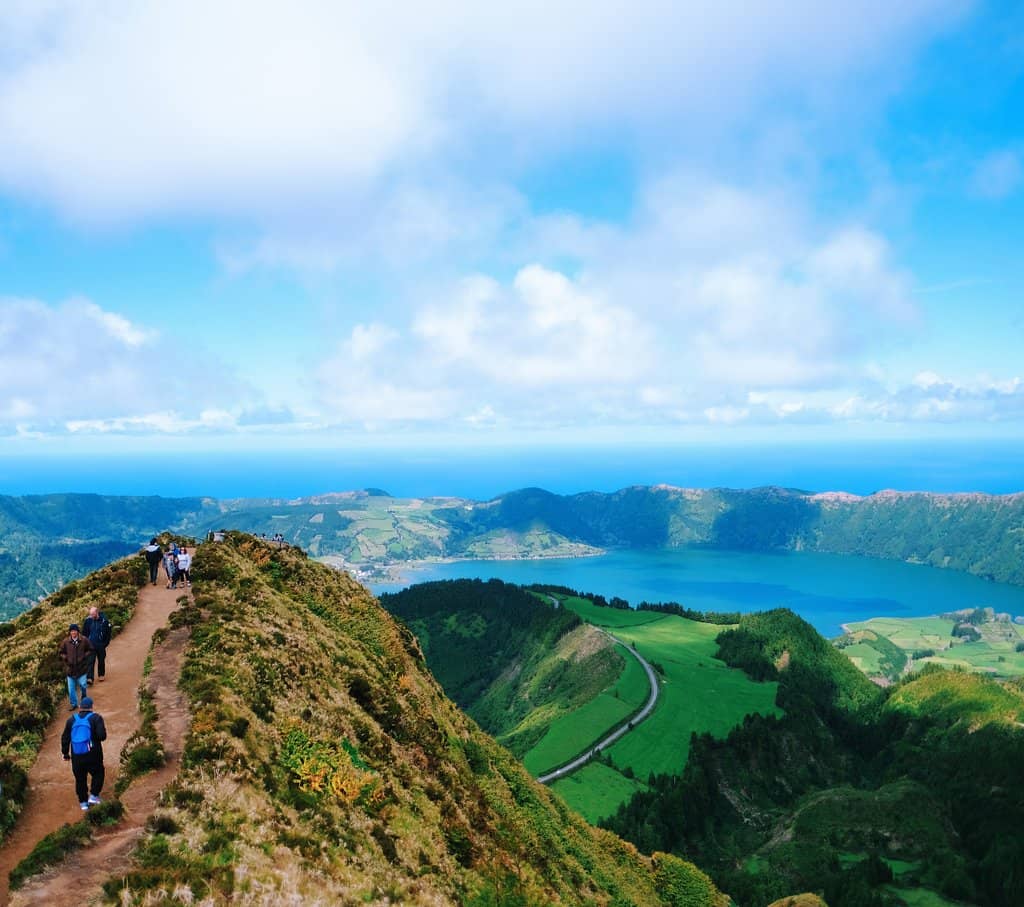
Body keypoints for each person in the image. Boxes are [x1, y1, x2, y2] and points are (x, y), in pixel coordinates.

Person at [61, 696, 107, 811]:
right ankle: (94, 795)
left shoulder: (71, 720)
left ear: (80, 707)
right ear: (92, 708)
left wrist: (65, 754)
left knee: (80, 779)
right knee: (98, 773)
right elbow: (102, 736)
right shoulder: (96, 718)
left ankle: (83, 803)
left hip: (77, 756)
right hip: (93, 755)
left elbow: (65, 738)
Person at [58, 624, 94, 710]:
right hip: (70, 670)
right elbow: (61, 652)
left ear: (78, 631)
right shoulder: (65, 641)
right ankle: (74, 704)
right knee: (71, 690)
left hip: (82, 669)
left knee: (83, 686)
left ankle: (84, 700)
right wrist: (66, 658)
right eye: (71, 631)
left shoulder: (84, 640)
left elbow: (91, 649)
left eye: (75, 631)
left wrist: (84, 656)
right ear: (70, 632)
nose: (73, 632)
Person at [83, 606, 112, 683]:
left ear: (97, 612)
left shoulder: (104, 621)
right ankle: (90, 678)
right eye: (90, 614)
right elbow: (84, 633)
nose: (91, 616)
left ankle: (101, 675)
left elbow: (108, 634)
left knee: (101, 660)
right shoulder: (88, 621)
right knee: (90, 661)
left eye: (93, 614)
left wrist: (104, 644)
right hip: (91, 645)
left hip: (100, 645)